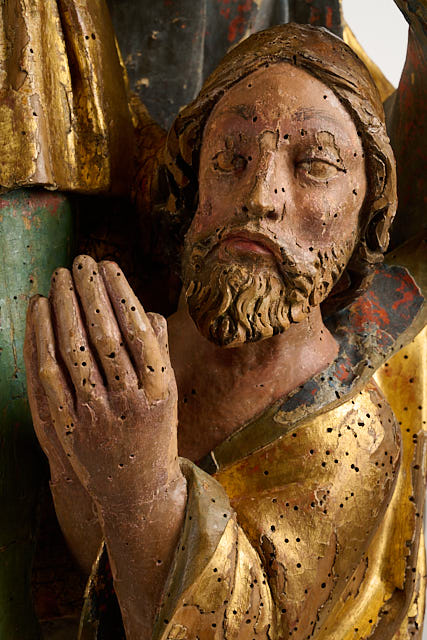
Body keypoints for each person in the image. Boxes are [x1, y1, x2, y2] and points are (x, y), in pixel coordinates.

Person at [23, 24, 425, 640]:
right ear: (191, 188)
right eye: (231, 158)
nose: (261, 195)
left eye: (315, 165)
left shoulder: (353, 441)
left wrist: (142, 492)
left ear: (366, 212)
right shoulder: (117, 334)